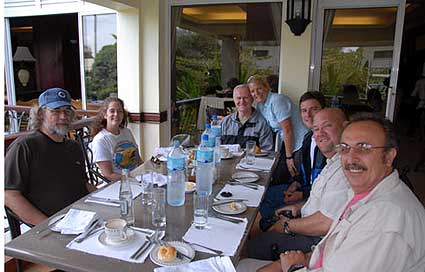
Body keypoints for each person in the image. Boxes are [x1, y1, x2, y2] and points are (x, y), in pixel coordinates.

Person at [256, 114, 425, 272]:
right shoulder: (362, 194)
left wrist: (293, 267)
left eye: (364, 148)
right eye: (345, 148)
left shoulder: (384, 222)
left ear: (388, 157)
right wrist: (293, 262)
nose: (351, 158)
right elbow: (329, 250)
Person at [241, 109, 350, 264]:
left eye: (327, 126)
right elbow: (322, 201)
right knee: (257, 223)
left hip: (315, 241)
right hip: (304, 221)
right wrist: (298, 207)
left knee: (245, 248)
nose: (320, 133)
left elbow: (325, 223)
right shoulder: (331, 162)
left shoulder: (345, 170)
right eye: (316, 129)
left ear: (345, 127)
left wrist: (287, 225)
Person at [5, 88, 92, 225]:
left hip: (83, 218)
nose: (63, 116)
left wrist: (109, 199)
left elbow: (83, 184)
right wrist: (48, 225)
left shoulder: (73, 146)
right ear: (41, 114)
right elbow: (9, 195)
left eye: (67, 110)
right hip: (50, 225)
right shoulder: (24, 147)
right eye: (56, 111)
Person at [257, 91, 327, 222]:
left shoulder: (326, 146)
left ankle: (259, 231)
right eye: (304, 110)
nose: (308, 115)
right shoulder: (308, 139)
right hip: (304, 189)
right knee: (262, 193)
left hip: (313, 199)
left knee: (266, 201)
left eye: (314, 109)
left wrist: (302, 194)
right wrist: (295, 183)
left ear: (324, 110)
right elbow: (305, 174)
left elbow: (324, 188)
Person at [247, 75, 309, 183]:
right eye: (252, 91)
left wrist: (289, 157)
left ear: (266, 87)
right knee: (279, 175)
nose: (256, 93)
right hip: (286, 142)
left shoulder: (277, 101)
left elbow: (287, 129)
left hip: (300, 142)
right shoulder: (261, 105)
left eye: (259, 89)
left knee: (296, 176)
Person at [91, 96, 142, 182]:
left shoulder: (127, 132)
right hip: (119, 184)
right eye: (112, 111)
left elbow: (138, 160)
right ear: (105, 114)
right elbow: (109, 175)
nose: (116, 114)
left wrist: (147, 172)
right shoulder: (100, 140)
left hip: (137, 178)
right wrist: (133, 179)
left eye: (119, 111)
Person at [220, 84, 274, 150]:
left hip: (253, 160)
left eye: (245, 98)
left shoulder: (262, 124)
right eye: (238, 98)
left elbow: (267, 151)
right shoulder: (225, 122)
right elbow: (213, 146)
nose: (242, 101)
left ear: (252, 99)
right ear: (234, 100)